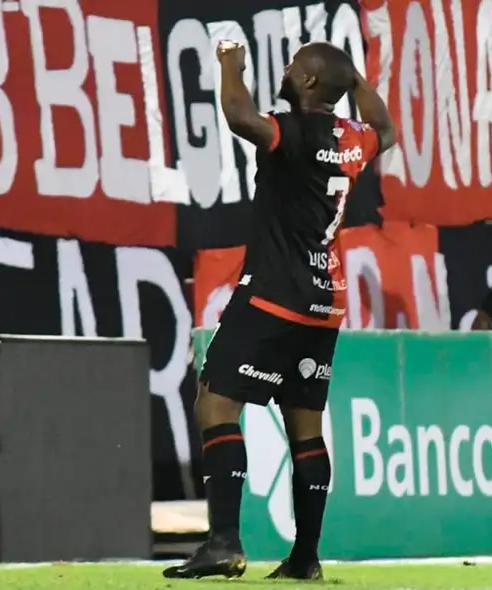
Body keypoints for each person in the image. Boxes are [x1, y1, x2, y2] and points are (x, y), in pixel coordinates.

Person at [162, 42, 395, 581]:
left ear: (310, 82)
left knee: (215, 403)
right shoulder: (352, 140)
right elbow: (386, 130)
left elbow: (240, 115)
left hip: (273, 294)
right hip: (323, 303)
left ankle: (223, 542)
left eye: (293, 66)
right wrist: (354, 77)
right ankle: (305, 558)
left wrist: (229, 64)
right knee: (306, 430)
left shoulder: (295, 130)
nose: (286, 71)